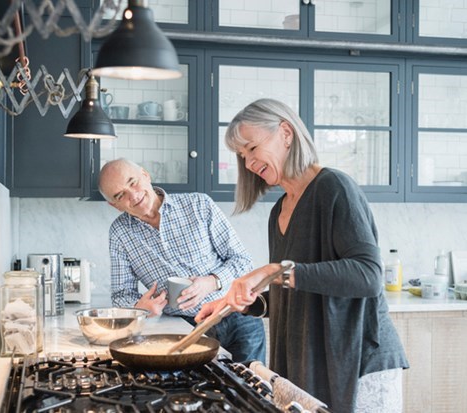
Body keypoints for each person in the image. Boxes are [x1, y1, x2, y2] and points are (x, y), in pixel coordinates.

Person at [195, 99, 409, 413]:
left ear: (286, 132)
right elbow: (296, 289)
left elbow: (368, 276)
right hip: (312, 361)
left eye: (253, 148)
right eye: (242, 155)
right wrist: (241, 303)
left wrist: (274, 270)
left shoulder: (334, 188)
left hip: (359, 361)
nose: (249, 163)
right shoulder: (279, 211)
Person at [98, 158, 266, 363]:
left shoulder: (199, 204)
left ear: (145, 174)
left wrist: (211, 282)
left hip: (238, 314)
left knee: (251, 388)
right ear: (113, 205)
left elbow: (243, 261)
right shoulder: (119, 233)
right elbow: (121, 295)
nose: (133, 195)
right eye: (120, 195)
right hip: (187, 327)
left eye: (132, 182)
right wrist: (140, 308)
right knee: (202, 391)